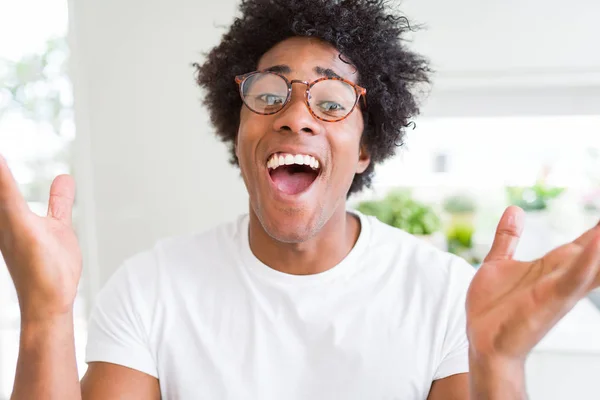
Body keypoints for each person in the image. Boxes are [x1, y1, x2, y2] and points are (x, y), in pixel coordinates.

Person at [2, 0, 600, 399]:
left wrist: (497, 364)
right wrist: (45, 315)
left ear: (365, 150)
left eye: (333, 102)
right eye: (268, 94)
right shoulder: (150, 289)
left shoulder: (444, 295)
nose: (295, 117)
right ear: (238, 136)